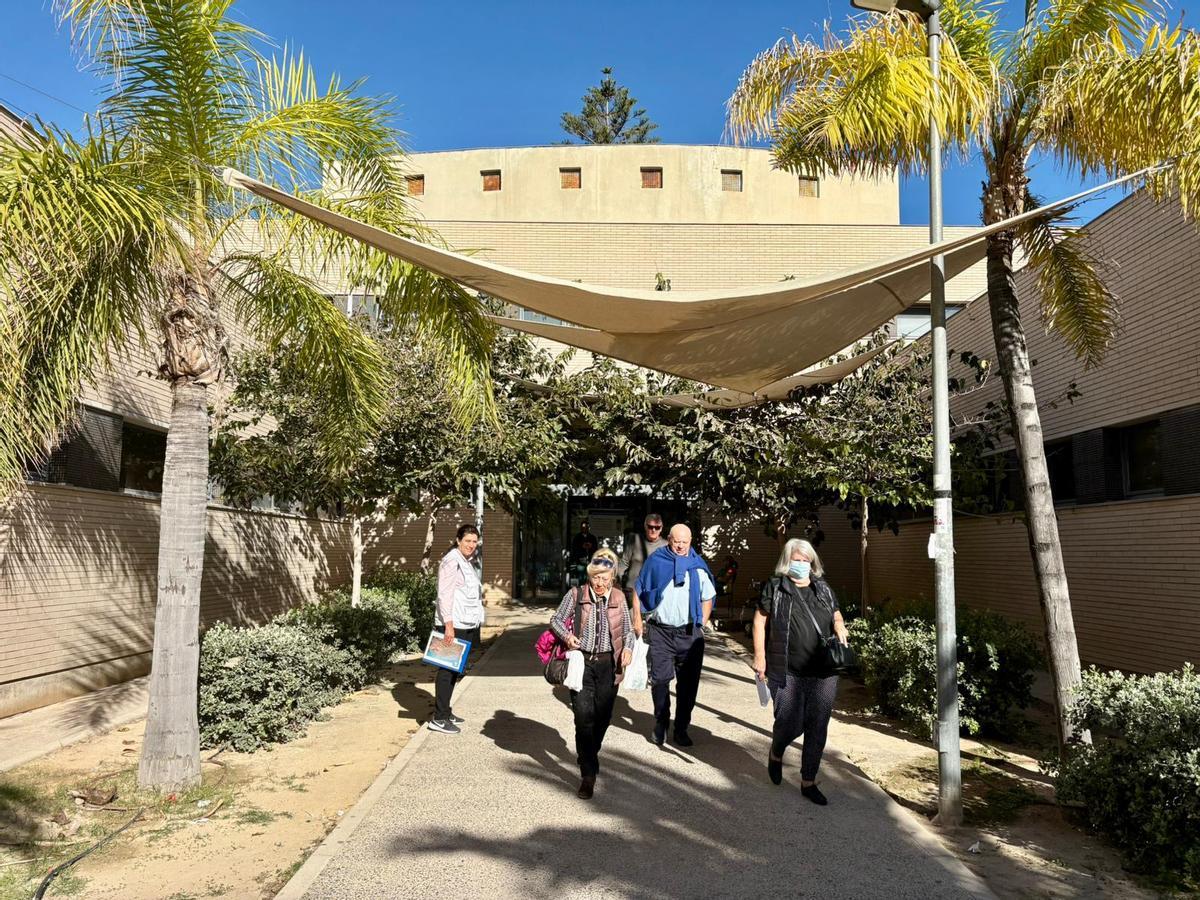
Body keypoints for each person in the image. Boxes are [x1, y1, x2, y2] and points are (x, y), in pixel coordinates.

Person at [752, 538, 850, 805]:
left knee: (817, 726)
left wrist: (839, 624)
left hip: (824, 672)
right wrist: (759, 656)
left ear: (813, 563)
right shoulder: (776, 587)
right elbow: (760, 621)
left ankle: (808, 781)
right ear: (787, 561)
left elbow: (836, 613)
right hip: (787, 670)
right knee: (789, 722)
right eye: (797, 559)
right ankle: (777, 749)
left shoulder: (823, 588)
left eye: (806, 560)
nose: (802, 564)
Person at [549, 547, 633, 799]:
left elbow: (628, 631)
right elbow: (555, 621)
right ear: (589, 575)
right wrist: (568, 636)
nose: (599, 583)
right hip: (581, 663)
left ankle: (588, 753)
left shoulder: (619, 597)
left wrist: (628, 649)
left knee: (603, 717)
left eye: (604, 578)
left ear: (613, 578)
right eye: (595, 577)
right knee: (583, 717)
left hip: (609, 664)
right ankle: (588, 774)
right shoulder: (576, 594)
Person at [633, 524, 715, 747]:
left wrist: (702, 624)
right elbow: (638, 589)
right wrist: (637, 619)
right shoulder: (656, 561)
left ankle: (681, 728)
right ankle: (661, 723)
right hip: (660, 631)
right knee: (660, 681)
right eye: (676, 541)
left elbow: (708, 596)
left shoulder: (697, 566)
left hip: (689, 633)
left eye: (685, 542)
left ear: (691, 541)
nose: (680, 546)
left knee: (688, 686)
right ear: (669, 539)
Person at [429, 524, 485, 735]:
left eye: (474, 541)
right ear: (458, 540)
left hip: (465, 623)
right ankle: (439, 718)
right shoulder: (452, 561)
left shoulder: (465, 562)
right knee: (446, 671)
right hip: (453, 625)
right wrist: (449, 626)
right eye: (467, 541)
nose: (471, 545)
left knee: (455, 671)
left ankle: (445, 710)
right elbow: (445, 595)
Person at [617, 513, 667, 593]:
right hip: (632, 589)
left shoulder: (666, 546)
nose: (653, 530)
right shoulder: (634, 540)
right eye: (650, 527)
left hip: (654, 591)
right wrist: (617, 583)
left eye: (657, 527)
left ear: (661, 528)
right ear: (645, 526)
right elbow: (624, 563)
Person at [569, 519, 599, 585]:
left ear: (588, 528)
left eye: (586, 527)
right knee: (581, 577)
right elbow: (574, 548)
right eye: (583, 527)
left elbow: (596, 548)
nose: (584, 529)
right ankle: (581, 591)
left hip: (590, 560)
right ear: (581, 528)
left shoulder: (592, 537)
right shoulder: (577, 537)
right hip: (580, 560)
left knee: (589, 577)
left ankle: (587, 591)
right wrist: (581, 546)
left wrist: (591, 546)